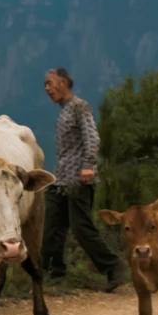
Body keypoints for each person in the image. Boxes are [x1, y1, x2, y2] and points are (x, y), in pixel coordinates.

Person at [40, 68, 128, 291]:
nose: (47, 89)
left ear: (63, 83)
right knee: (52, 226)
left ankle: (114, 268)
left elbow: (92, 137)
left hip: (79, 180)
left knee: (81, 228)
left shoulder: (80, 107)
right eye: (45, 85)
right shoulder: (65, 111)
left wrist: (88, 166)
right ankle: (53, 273)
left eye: (49, 83)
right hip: (61, 181)